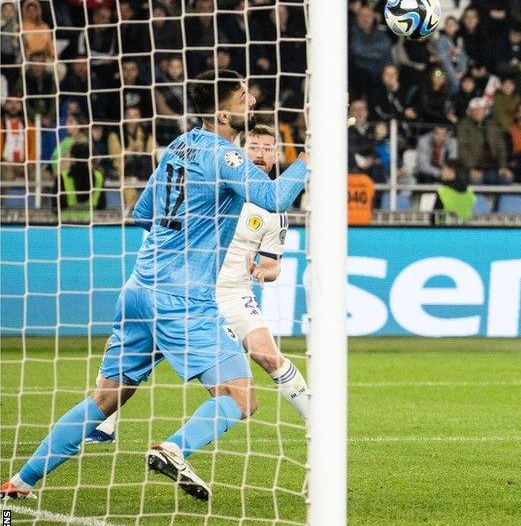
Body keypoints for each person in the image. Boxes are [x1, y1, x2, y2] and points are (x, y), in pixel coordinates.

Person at [1, 70, 309, 502]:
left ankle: (20, 481)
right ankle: (172, 448)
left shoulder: (177, 147)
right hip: (183, 297)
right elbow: (275, 198)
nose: (252, 101)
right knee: (241, 398)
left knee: (106, 398)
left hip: (140, 287)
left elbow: (144, 212)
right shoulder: (225, 156)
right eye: (243, 96)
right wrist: (312, 153)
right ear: (223, 111)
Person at [433, 158, 476, 222]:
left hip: (446, 230)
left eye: (444, 168)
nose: (441, 171)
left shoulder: (442, 192)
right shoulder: (470, 192)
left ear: (451, 171)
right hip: (466, 231)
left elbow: (433, 219)